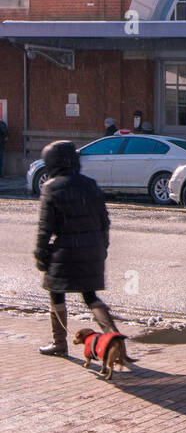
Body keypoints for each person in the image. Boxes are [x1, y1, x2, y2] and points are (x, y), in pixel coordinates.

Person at [34, 140, 118, 357]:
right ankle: (113, 338)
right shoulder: (90, 184)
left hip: (66, 252)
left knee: (56, 293)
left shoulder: (51, 188)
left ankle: (59, 343)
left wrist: (41, 254)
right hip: (92, 250)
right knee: (90, 295)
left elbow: (45, 229)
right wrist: (102, 247)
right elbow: (104, 221)